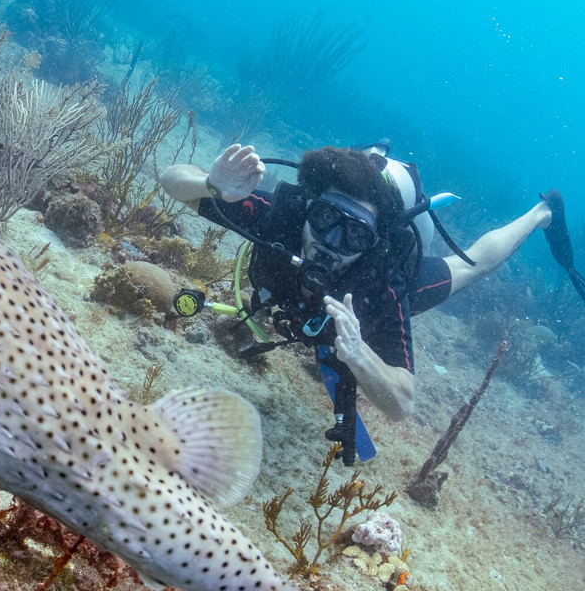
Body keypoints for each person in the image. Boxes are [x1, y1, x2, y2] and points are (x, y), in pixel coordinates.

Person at [159, 143, 570, 426]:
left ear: (371, 245)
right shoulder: (282, 219)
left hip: (375, 289)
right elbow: (173, 180)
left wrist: (359, 356)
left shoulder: (382, 284)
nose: (330, 245)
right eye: (324, 220)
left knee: (469, 267)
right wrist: (212, 185)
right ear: (308, 210)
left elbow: (402, 403)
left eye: (354, 236)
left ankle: (539, 213)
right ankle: (375, 157)